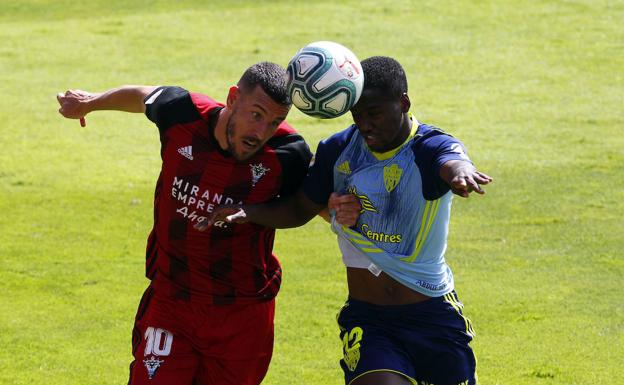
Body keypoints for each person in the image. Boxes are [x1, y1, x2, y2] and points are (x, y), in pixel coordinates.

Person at [56, 62, 359, 385]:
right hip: (172, 302)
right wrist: (92, 102)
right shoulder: (182, 112)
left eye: (274, 122)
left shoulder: (287, 153)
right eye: (255, 115)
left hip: (242, 316)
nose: (261, 132)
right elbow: (142, 96)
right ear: (232, 99)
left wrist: (337, 208)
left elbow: (308, 205)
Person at [198, 56, 493, 385]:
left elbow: (451, 159)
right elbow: (299, 208)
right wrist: (250, 212)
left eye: (375, 113)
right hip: (370, 320)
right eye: (358, 114)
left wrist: (461, 172)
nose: (365, 125)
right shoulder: (337, 151)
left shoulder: (428, 146)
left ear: (403, 102)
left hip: (433, 316)